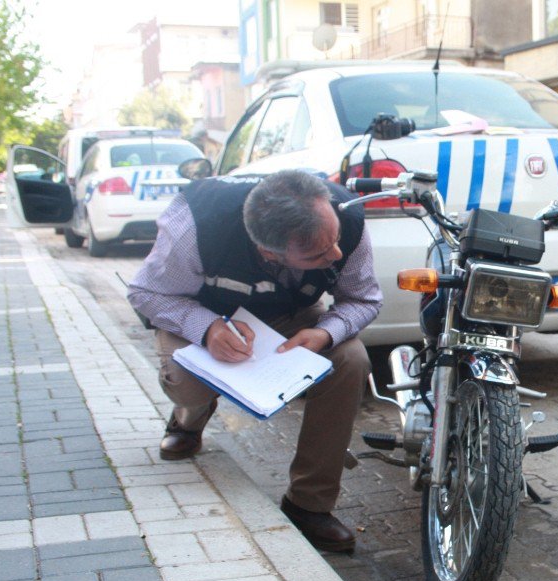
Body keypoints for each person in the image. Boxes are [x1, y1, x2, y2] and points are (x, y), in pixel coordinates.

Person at [128, 169, 382, 553]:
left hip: (290, 314)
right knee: (187, 380)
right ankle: (189, 419)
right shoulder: (195, 225)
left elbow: (363, 298)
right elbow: (148, 293)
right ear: (268, 252)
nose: (336, 254)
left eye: (334, 241)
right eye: (317, 253)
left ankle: (308, 504)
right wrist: (207, 328)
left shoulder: (343, 217)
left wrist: (325, 333)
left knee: (351, 358)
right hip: (203, 310)